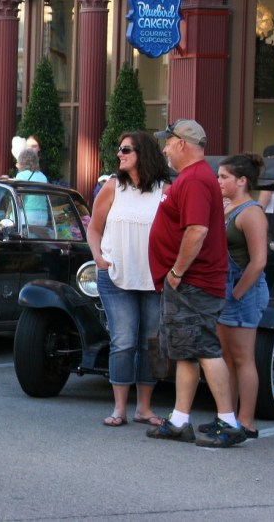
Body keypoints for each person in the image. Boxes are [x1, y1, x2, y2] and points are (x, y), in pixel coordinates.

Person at [147, 119, 246, 447]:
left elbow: (197, 230)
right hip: (190, 282)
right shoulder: (194, 177)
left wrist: (176, 272)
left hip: (193, 282)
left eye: (169, 142)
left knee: (203, 347)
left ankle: (228, 422)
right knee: (186, 351)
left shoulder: (195, 179)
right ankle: (179, 420)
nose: (165, 148)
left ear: (182, 144)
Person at [87, 131, 169, 428]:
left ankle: (144, 408)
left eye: (126, 150)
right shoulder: (112, 187)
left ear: (143, 154)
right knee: (122, 342)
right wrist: (99, 258)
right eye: (119, 149)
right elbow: (94, 227)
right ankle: (119, 408)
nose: (119, 154)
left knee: (151, 343)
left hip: (154, 278)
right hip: (116, 276)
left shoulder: (165, 190)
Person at [212, 153, 269, 438]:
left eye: (224, 177)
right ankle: (228, 418)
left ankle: (246, 422)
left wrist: (236, 293)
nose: (219, 181)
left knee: (243, 357)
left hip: (243, 291)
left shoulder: (251, 212)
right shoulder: (226, 207)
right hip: (225, 290)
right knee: (226, 358)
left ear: (242, 181)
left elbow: (259, 261)